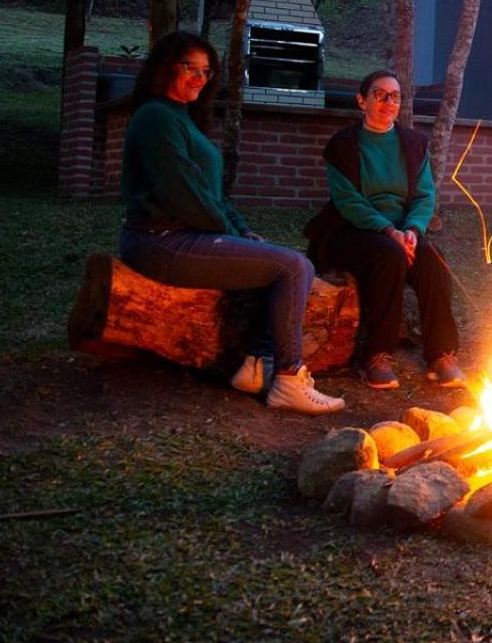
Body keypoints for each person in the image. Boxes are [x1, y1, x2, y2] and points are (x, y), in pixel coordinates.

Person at [117, 31, 345, 415]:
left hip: (186, 235)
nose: (198, 77)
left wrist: (240, 231)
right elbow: (182, 192)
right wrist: (227, 231)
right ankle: (288, 378)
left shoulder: (182, 118)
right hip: (160, 242)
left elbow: (213, 194)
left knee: (279, 262)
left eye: (206, 71)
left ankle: (255, 366)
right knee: (294, 266)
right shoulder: (155, 116)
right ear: (165, 66)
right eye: (189, 66)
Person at [304, 70, 464, 390]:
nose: (389, 102)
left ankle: (441, 355)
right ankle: (376, 355)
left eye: (395, 96)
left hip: (402, 232)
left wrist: (413, 231)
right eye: (380, 95)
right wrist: (389, 231)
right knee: (390, 256)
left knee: (432, 260)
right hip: (351, 231)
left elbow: (424, 195)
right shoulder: (344, 145)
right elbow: (348, 202)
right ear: (362, 101)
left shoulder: (414, 143)